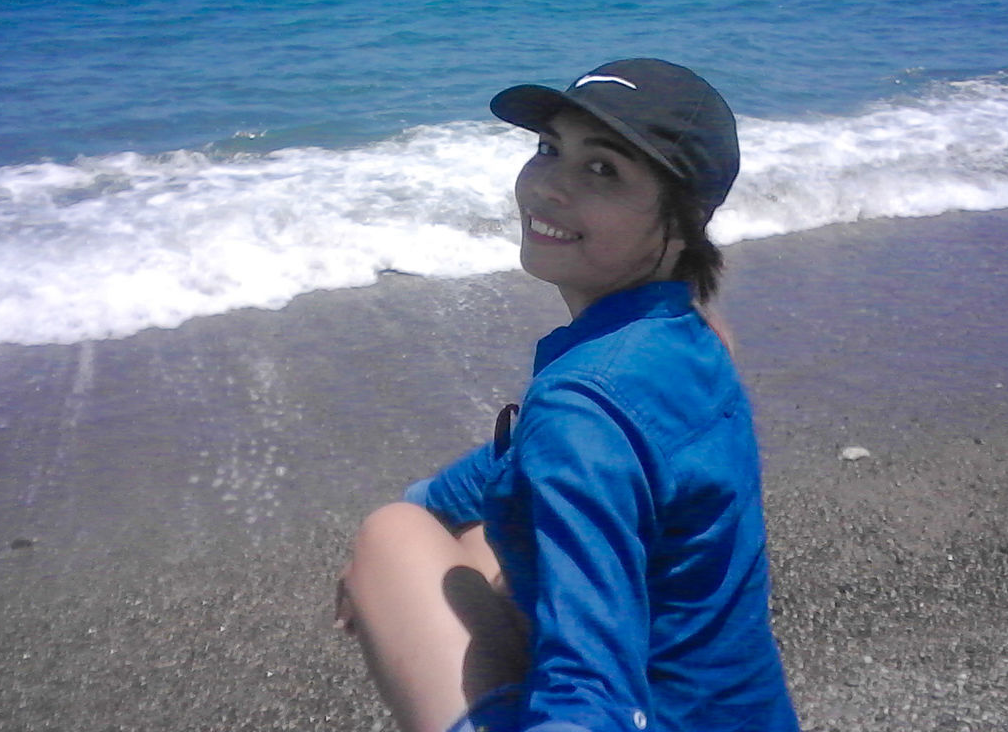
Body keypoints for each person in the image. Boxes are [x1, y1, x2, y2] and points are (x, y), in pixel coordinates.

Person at [336, 59, 799, 732]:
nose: (550, 185)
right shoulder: (691, 337)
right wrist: (430, 503)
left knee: (390, 538)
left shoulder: (582, 407)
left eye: (602, 169)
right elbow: (525, 457)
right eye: (550, 149)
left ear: (681, 221)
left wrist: (391, 546)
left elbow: (593, 694)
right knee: (444, 525)